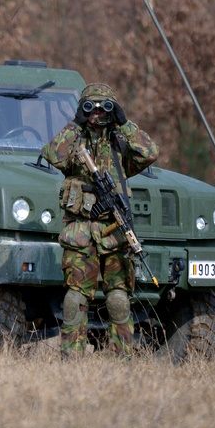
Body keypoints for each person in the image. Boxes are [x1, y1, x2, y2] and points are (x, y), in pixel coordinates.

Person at [41, 83, 159, 359]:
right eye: (90, 107)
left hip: (115, 233)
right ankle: (71, 358)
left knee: (118, 299)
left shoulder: (120, 144)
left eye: (104, 107)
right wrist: (75, 123)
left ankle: (121, 359)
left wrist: (124, 123)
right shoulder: (74, 141)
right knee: (75, 299)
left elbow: (150, 152)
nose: (97, 113)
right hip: (81, 233)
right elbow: (52, 154)